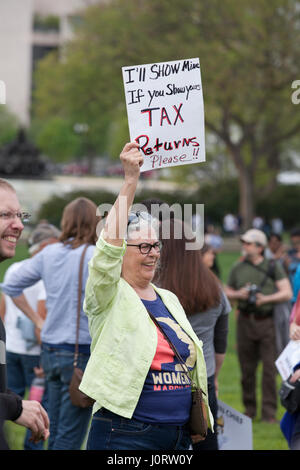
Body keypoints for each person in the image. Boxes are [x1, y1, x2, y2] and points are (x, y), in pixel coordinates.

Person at [79, 142, 212, 451]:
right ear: (123, 251)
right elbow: (107, 250)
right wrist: (130, 180)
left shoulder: (168, 298)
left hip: (177, 436)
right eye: (143, 247)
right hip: (126, 435)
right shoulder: (108, 294)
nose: (153, 254)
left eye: (156, 246)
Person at [0, 197, 98, 450]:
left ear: (65, 222)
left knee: (53, 427)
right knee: (71, 433)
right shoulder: (96, 256)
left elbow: (10, 285)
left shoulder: (51, 253)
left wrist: (38, 321)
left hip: (50, 350)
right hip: (80, 351)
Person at [154, 218, 230, 450]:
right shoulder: (214, 287)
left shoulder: (152, 289)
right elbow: (221, 341)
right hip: (202, 380)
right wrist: (214, 377)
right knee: (206, 443)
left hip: (159, 381)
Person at [0, 222, 61, 450]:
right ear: (46, 246)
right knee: (36, 410)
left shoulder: (15, 268)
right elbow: (41, 320)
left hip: (9, 349)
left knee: (6, 404)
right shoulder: (44, 275)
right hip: (33, 353)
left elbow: (2, 311)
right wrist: (45, 356)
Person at [224, 228, 292, 422]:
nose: (244, 246)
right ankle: (249, 411)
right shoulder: (238, 267)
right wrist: (239, 295)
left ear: (260, 247)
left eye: (248, 243)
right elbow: (226, 290)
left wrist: (265, 299)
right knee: (247, 370)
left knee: (269, 371)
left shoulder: (272, 266)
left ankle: (269, 415)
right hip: (245, 321)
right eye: (244, 243)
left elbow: (286, 292)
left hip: (267, 322)